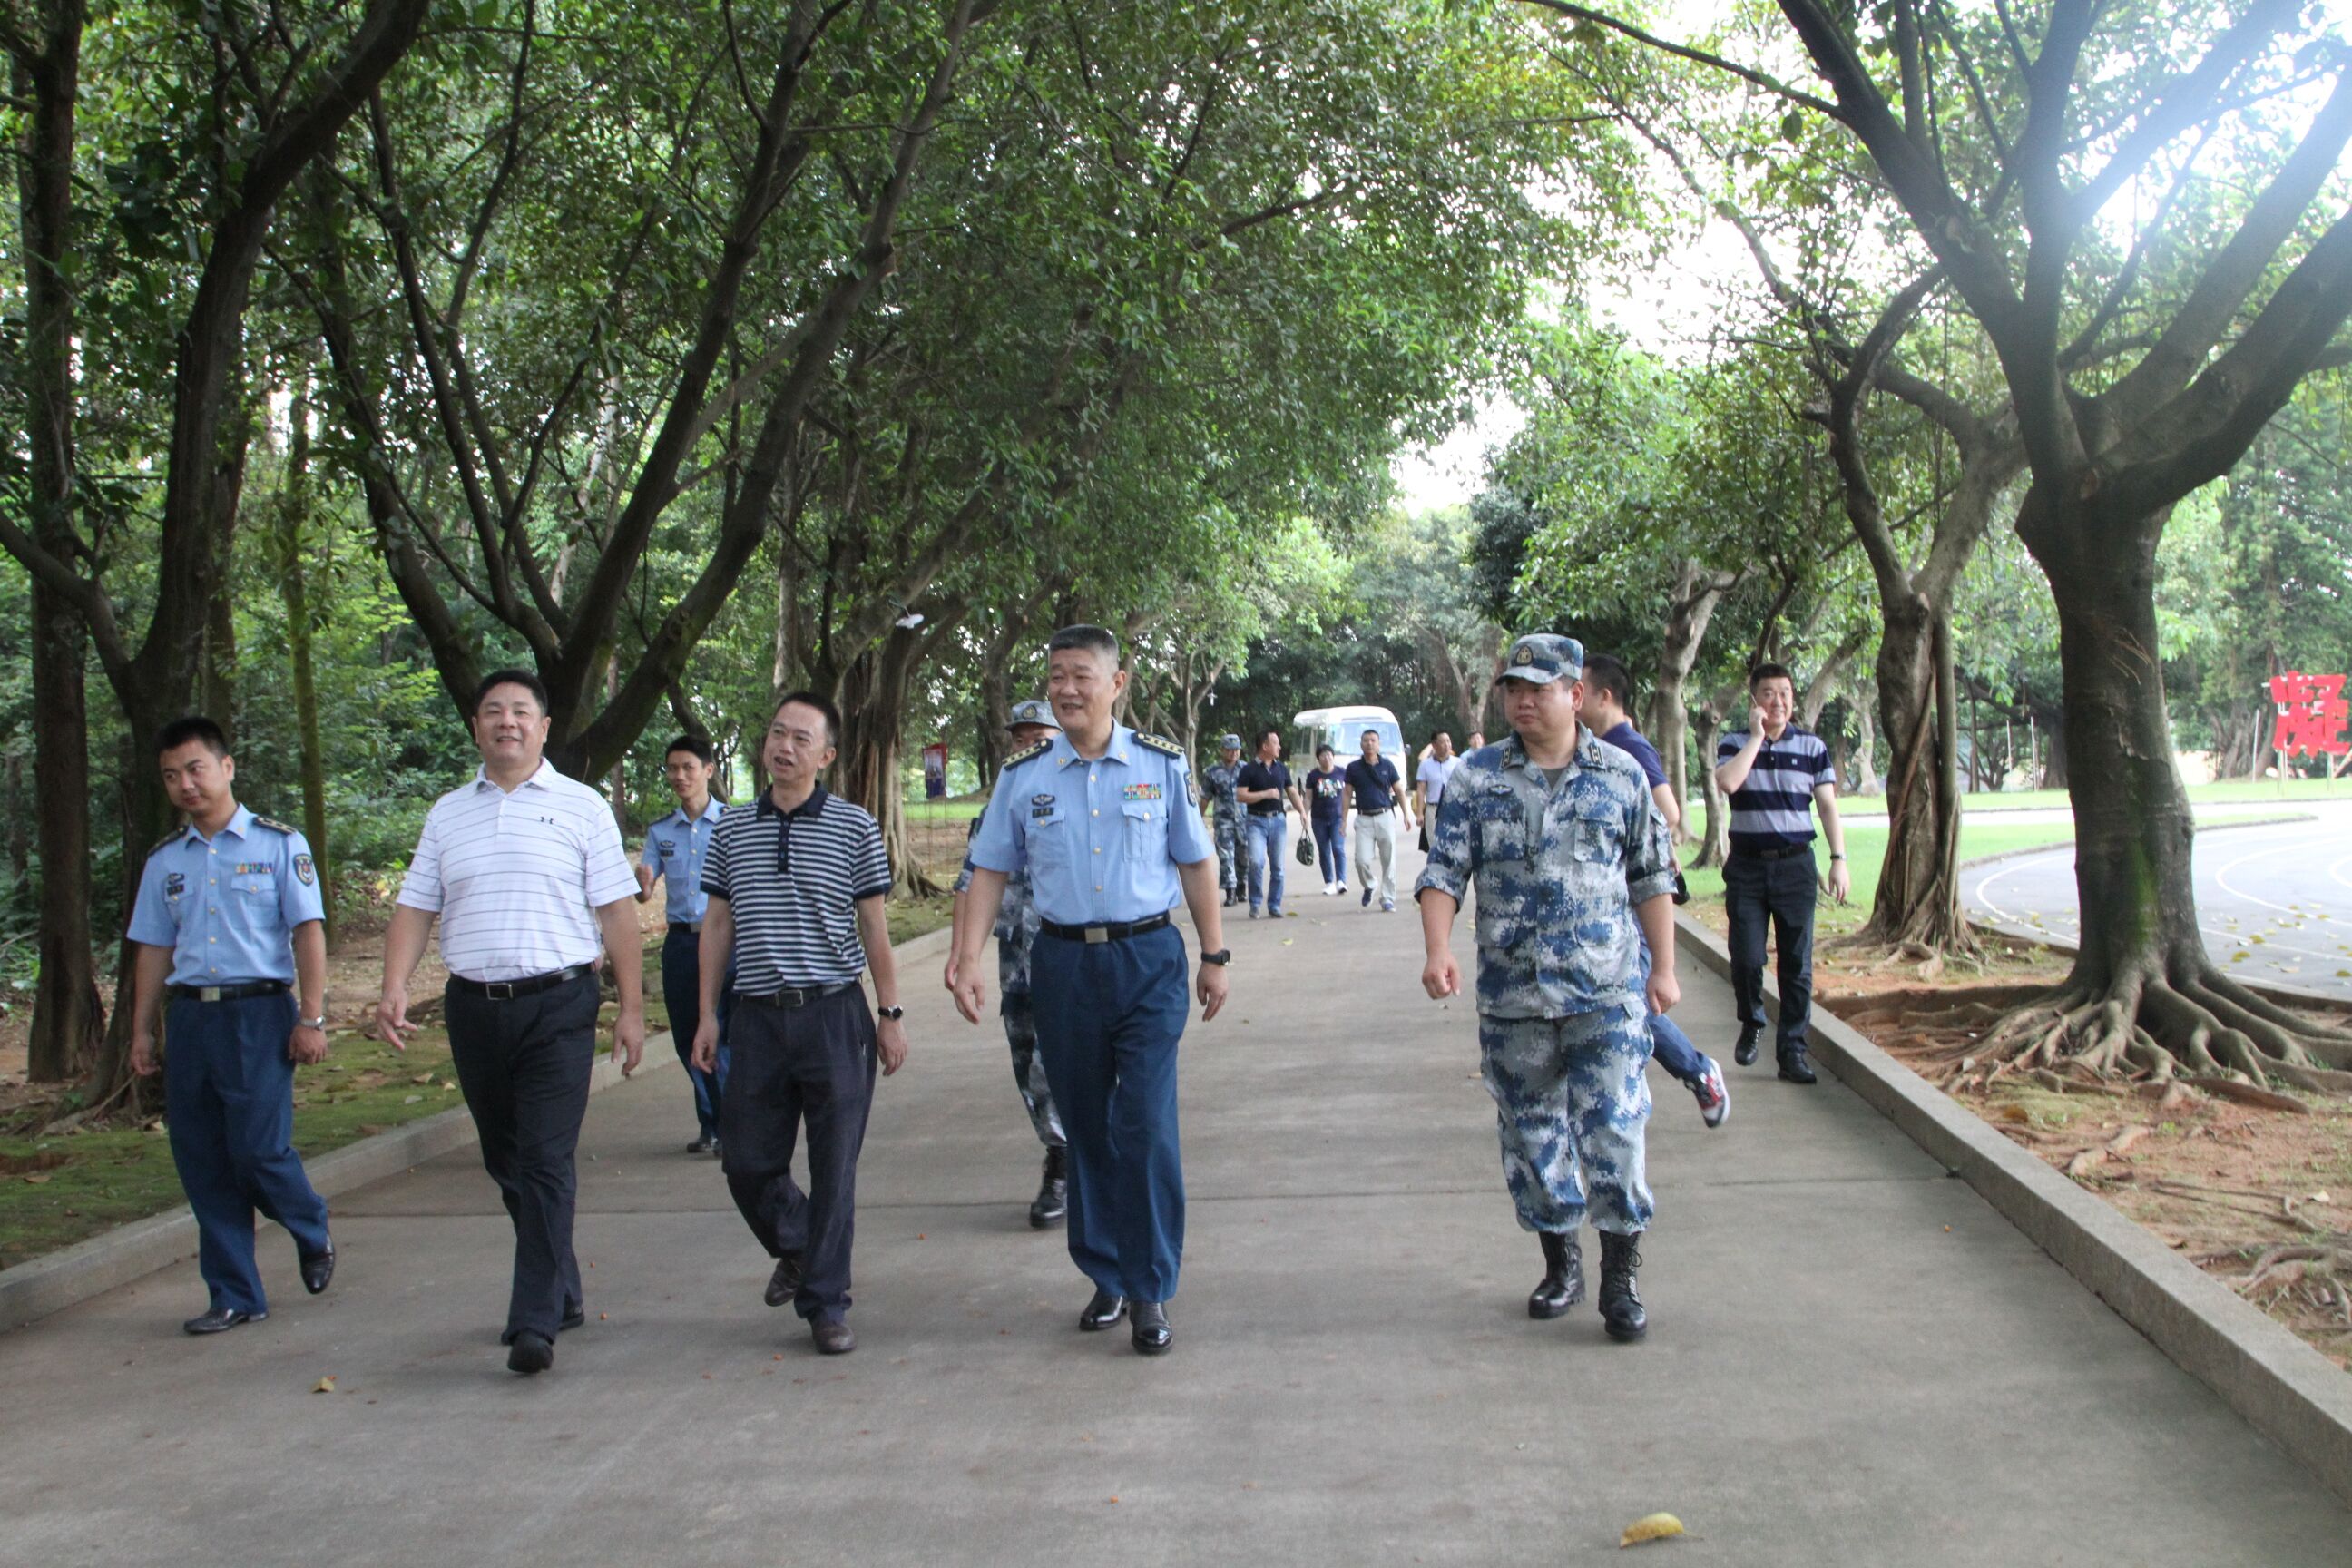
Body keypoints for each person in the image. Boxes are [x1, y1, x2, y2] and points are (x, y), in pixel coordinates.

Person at [951, 625, 1230, 1357]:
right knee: (1085, 1125)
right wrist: (966, 955)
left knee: (1141, 1121)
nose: (1066, 688)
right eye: (1056, 675)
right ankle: (1106, 1271)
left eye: (1081, 674)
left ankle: (1150, 1285)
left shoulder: (1161, 767)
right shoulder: (1025, 778)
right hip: (1064, 966)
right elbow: (989, 871)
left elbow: (1196, 863)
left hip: (1148, 960)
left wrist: (1215, 953)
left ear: (1118, 682)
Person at [377, 669, 645, 1377]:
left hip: (560, 1005)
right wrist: (394, 985)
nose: (507, 722)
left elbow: (618, 914)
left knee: (545, 1158)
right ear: (475, 726)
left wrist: (632, 1009)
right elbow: (415, 907)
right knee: (505, 1159)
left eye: (521, 711)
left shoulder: (583, 807)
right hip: (474, 1008)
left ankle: (533, 1321)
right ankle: (562, 1287)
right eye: (492, 711)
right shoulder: (447, 814)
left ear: (545, 727)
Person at [1416, 634, 1680, 1344]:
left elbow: (1653, 878)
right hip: (1514, 996)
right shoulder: (1475, 778)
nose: (1523, 700)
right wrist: (1438, 950)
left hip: (1606, 993)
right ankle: (1561, 1259)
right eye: (1513, 688)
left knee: (1615, 1130)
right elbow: (1443, 873)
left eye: (1539, 687)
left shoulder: (1621, 775)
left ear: (1576, 693)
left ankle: (1620, 1273)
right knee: (1531, 1136)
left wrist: (1664, 968)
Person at [693, 691, 908, 1357]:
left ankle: (826, 1303)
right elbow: (718, 923)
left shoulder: (853, 826)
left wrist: (890, 1014)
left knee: (834, 1163)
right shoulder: (731, 827)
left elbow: (874, 926)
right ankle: (800, 1244)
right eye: (776, 734)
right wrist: (706, 1012)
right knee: (747, 1162)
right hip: (757, 1017)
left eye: (801, 738)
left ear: (827, 755)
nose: (784, 747)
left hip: (834, 1014)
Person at [125, 717, 336, 1335]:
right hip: (190, 1015)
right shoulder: (166, 860)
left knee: (257, 1148)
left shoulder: (278, 845)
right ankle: (234, 1294)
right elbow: (153, 947)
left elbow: (308, 931)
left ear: (226, 768)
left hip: (258, 1013)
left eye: (195, 769)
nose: (186, 784)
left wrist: (312, 1017)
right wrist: (143, 1030)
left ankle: (309, 1222)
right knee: (202, 1157)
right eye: (171, 775)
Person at [1579, 653, 1728, 1129]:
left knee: (1638, 1001)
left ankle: (1698, 1070)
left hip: (1637, 902)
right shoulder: (1595, 745)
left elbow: (1670, 812)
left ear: (1604, 696)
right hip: (1606, 904)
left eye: (1580, 688)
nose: (1572, 698)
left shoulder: (1628, 746)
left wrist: (1643, 855)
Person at [947, 699, 1070, 1228]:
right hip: (1016, 961)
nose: (1028, 746)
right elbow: (971, 883)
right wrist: (962, 954)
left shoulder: (1077, 798)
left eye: (1039, 737)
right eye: (1020, 738)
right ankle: (1060, 1156)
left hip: (1071, 957)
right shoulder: (994, 810)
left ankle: (1084, 1160)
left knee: (1073, 1063)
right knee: (1029, 1065)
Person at [1712, 662, 1850, 1086]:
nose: (1780, 702)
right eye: (1770, 693)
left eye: (1786, 693)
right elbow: (1729, 783)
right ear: (1755, 699)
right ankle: (1752, 1019)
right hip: (1748, 866)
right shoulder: (1735, 742)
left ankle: (1792, 1050)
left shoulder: (1811, 748)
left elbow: (1826, 805)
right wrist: (1756, 737)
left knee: (1796, 963)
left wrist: (1838, 857)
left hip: (1795, 865)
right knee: (1748, 957)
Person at [637, 734, 731, 1155]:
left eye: (688, 767)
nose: (679, 776)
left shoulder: (732, 824)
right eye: (673, 768)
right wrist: (640, 885)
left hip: (727, 945)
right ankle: (709, 1123)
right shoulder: (661, 832)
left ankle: (733, 1125)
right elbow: (644, 889)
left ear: (708, 771)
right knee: (685, 1035)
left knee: (723, 1033)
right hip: (680, 946)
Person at [1342, 729, 1413, 911]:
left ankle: (1388, 898)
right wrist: (1343, 820)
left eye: (1373, 740)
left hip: (1385, 816)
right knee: (1361, 860)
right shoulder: (1354, 768)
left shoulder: (1387, 766)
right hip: (1364, 818)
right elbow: (1347, 794)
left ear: (1378, 744)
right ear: (1361, 744)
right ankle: (1369, 884)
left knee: (1388, 860)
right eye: (1366, 740)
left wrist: (1406, 814)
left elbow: (1398, 790)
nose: (1369, 744)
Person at [1235, 726, 1300, 919]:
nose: (1279, 747)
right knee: (1256, 862)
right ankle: (1255, 903)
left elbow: (1292, 791)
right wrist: (1265, 794)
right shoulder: (1248, 770)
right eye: (1275, 743)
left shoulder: (1281, 768)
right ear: (1265, 746)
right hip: (1256, 821)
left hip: (1278, 821)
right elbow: (1240, 796)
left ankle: (1274, 904)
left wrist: (1303, 812)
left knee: (1278, 867)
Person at [1202, 735, 1247, 907]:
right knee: (1226, 856)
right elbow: (1206, 797)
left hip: (1244, 819)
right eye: (1229, 750)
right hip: (1223, 821)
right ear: (1222, 750)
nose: (1233, 753)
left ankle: (1242, 885)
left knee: (1244, 856)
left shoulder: (1246, 769)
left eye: (1236, 750)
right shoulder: (1212, 772)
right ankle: (1231, 891)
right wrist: (1199, 819)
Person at [1302, 743, 1348, 894]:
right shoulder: (1313, 776)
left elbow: (1349, 793)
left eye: (1329, 754)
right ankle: (1329, 882)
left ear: (1333, 757)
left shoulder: (1342, 772)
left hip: (1338, 818)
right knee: (1324, 850)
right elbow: (1308, 797)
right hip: (1319, 819)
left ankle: (1341, 880)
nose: (1326, 758)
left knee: (1338, 848)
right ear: (1318, 759)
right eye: (1323, 755)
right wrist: (1304, 814)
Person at [1415, 732, 1458, 854]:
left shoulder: (1458, 763)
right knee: (1434, 846)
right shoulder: (1425, 765)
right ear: (1434, 745)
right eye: (1443, 742)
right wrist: (1419, 814)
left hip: (1453, 808)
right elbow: (1421, 789)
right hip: (1432, 809)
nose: (1447, 745)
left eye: (1448, 741)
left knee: (1453, 843)